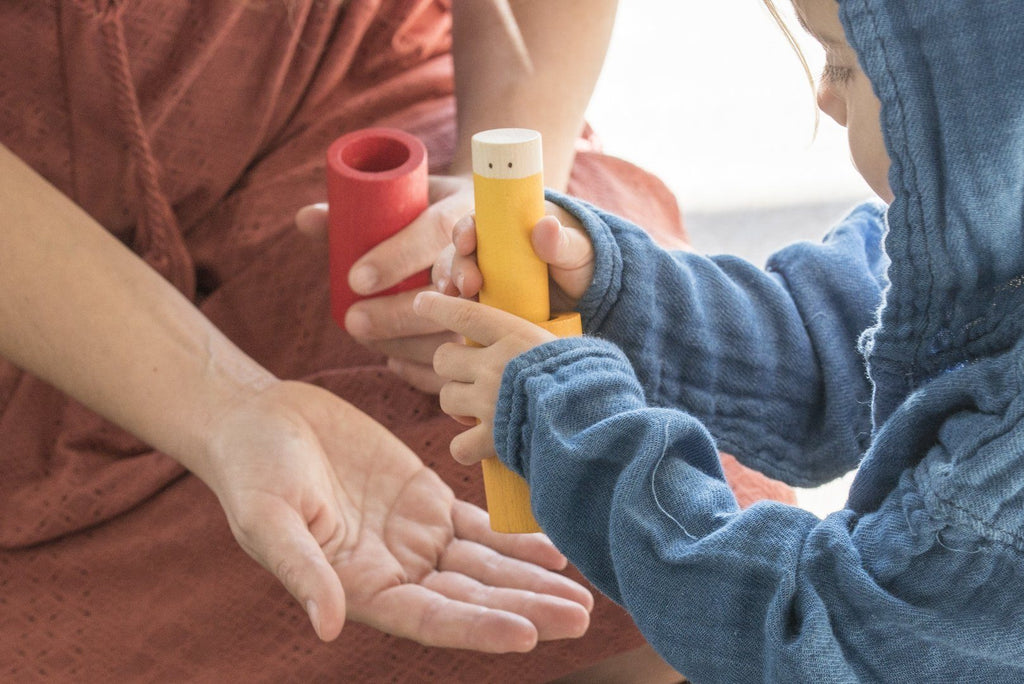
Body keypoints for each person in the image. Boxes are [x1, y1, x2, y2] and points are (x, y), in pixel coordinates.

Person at [0, 1, 797, 680]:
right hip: (30, 277)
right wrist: (225, 404)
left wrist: (499, 197)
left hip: (341, 99)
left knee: (678, 513)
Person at [419, 0, 1024, 680]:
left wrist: (577, 423)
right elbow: (819, 350)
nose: (823, 96)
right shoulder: (977, 240)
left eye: (845, 65)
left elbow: (809, 632)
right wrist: (615, 289)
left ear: (981, 105)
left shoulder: (1004, 475)